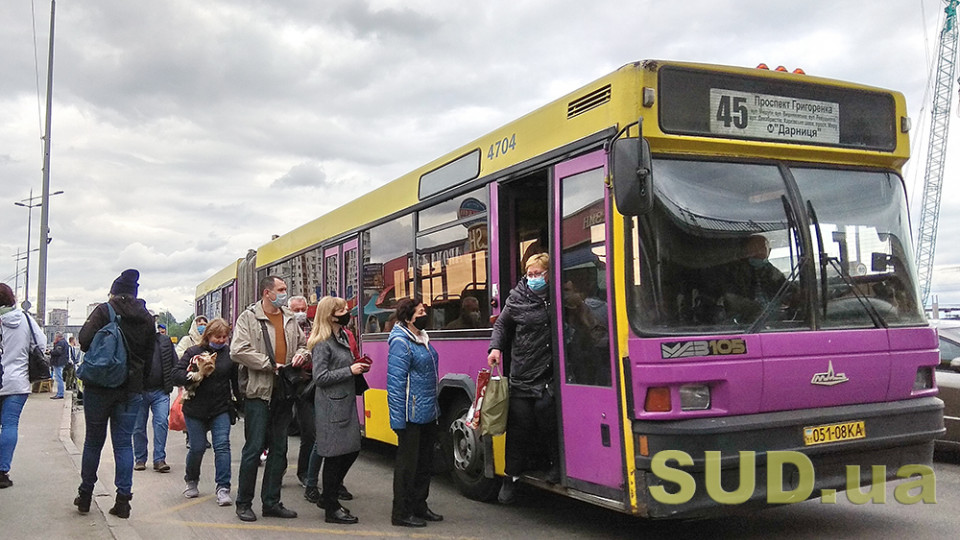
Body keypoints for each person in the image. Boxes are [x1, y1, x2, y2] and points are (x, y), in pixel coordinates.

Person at [75, 269, 155, 519]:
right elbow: (150, 356)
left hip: (99, 388)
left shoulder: (104, 310)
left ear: (114, 291)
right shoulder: (146, 318)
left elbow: (84, 341)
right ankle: (123, 501)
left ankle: (85, 495)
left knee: (93, 442)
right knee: (123, 444)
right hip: (130, 390)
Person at [230, 275, 308, 522]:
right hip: (259, 392)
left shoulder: (289, 317)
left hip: (284, 391)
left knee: (280, 449)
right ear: (267, 292)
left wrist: (301, 356)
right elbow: (238, 350)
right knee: (253, 449)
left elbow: (304, 344)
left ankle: (271, 502)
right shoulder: (249, 318)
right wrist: (270, 364)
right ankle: (244, 503)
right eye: (281, 289)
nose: (285, 292)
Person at [488, 253, 559, 504]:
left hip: (549, 372)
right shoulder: (517, 297)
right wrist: (495, 348)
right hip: (522, 371)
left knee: (547, 414)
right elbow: (502, 326)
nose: (533, 278)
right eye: (529, 274)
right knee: (519, 425)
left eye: (538, 274)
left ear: (549, 274)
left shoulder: (559, 295)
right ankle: (511, 477)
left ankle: (554, 465)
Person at [308, 296, 370, 524]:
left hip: (343, 403)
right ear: (329, 315)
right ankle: (331, 508)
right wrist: (350, 370)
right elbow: (320, 377)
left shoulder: (342, 335)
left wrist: (358, 366)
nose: (347, 312)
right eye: (342, 310)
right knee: (334, 457)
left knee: (352, 449)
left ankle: (328, 496)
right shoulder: (323, 342)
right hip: (331, 406)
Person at [387, 298, 442, 528]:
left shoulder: (422, 338)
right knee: (407, 466)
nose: (424, 314)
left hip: (427, 411)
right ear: (409, 317)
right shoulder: (401, 342)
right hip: (410, 413)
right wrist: (398, 419)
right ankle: (401, 512)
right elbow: (396, 383)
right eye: (420, 311)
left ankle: (420, 505)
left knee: (424, 462)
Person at [173, 318, 237, 506]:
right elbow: (175, 374)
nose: (221, 340)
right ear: (208, 335)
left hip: (220, 408)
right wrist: (194, 375)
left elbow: (235, 381)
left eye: (225, 337)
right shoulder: (193, 352)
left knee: (222, 446)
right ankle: (191, 480)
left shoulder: (229, 355)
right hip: (195, 409)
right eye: (218, 336)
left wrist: (240, 405)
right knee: (197, 447)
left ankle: (223, 488)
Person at [0, 283, 47, 489]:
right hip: (17, 383)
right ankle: (2, 472)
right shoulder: (26, 320)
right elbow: (41, 344)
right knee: (10, 425)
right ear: (12, 299)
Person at [133, 321, 177, 473]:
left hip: (161, 391)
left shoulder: (165, 341)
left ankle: (159, 459)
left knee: (161, 423)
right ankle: (140, 459)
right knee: (138, 427)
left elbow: (174, 363)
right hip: (139, 391)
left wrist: (175, 382)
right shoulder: (135, 340)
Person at [49, 331, 69, 399]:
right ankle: (60, 393)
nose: (55, 338)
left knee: (59, 378)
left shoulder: (60, 343)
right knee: (59, 377)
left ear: (58, 337)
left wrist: (50, 352)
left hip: (58, 362)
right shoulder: (65, 342)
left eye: (55, 337)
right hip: (62, 362)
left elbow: (58, 352)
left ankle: (60, 393)